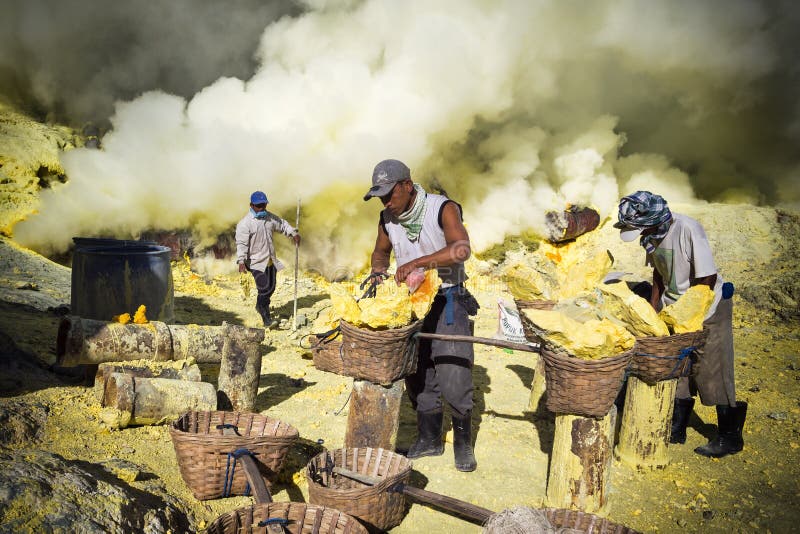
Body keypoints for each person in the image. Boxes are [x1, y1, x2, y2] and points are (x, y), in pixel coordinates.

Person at [364, 159, 480, 472]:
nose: (386, 201)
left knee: (453, 368)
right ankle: (428, 439)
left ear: (406, 184)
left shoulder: (442, 208)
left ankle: (462, 443)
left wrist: (420, 263)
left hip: (447, 297)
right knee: (417, 372)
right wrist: (377, 273)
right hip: (411, 303)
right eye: (381, 197)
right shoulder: (387, 217)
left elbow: (461, 249)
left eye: (390, 194)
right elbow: (380, 253)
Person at [614, 190, 745, 458]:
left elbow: (707, 277)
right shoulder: (652, 236)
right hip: (674, 308)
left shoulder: (688, 229)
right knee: (677, 367)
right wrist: (653, 310)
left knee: (710, 369)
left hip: (708, 306)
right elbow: (659, 273)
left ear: (653, 218)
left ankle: (730, 437)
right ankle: (677, 427)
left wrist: (692, 314)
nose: (638, 233)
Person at [235, 191, 300, 329]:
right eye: (259, 206)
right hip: (255, 263)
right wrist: (241, 262)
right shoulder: (245, 224)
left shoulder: (269, 218)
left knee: (272, 287)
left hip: (270, 260)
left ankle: (260, 304)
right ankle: (266, 317)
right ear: (251, 205)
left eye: (264, 205)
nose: (262, 208)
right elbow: (241, 244)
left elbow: (282, 224)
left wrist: (293, 233)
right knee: (264, 288)